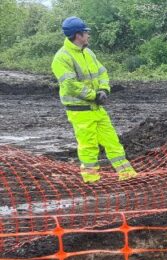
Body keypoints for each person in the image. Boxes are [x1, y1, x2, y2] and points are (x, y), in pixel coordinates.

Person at [51, 17, 137, 183]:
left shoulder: (88, 52)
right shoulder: (61, 58)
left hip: (97, 108)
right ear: (78, 35)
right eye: (86, 32)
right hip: (80, 111)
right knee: (88, 145)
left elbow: (102, 72)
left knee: (112, 141)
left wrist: (104, 89)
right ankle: (91, 179)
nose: (88, 35)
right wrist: (93, 95)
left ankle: (127, 175)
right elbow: (70, 85)